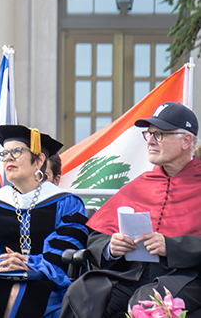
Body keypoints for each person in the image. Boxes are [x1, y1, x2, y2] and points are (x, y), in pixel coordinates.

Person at [60, 102, 201, 318]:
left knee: (146, 302)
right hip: (132, 274)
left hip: (186, 278)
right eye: (149, 134)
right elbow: (97, 236)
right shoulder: (139, 185)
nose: (151, 141)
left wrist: (171, 246)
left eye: (160, 135)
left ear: (186, 140)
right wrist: (111, 246)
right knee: (82, 293)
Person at [0, 125, 88, 318]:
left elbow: (67, 248)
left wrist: (29, 264)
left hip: (46, 282)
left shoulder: (67, 204)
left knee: (18, 293)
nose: (8, 158)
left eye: (16, 151)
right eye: (4, 153)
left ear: (39, 160)